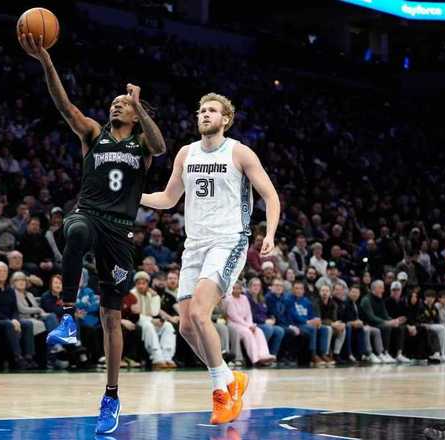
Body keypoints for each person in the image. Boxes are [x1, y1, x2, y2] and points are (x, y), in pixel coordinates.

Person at [20, 31, 166, 435]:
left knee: (111, 318)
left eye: (124, 103)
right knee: (77, 230)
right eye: (114, 102)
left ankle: (111, 396)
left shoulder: (142, 144)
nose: (116, 105)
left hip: (120, 233)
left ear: (135, 114)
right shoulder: (91, 134)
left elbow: (160, 145)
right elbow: (63, 104)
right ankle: (66, 315)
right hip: (89, 214)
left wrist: (139, 103)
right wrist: (46, 61)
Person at [141, 93, 279, 424]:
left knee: (200, 313)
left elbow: (271, 196)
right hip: (195, 245)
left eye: (212, 111)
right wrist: (133, 197)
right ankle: (231, 377)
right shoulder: (186, 153)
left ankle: (221, 392)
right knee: (187, 326)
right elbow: (168, 198)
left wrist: (270, 234)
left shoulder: (239, 152)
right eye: (201, 110)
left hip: (228, 241)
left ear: (225, 119)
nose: (204, 114)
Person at [0, 262, 33, 370]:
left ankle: (29, 357)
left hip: (9, 320)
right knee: (9, 324)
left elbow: (15, 309)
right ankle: (17, 357)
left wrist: (15, 319)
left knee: (28, 324)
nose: (3, 273)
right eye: (0, 271)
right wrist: (10, 320)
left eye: (5, 271)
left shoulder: (10, 290)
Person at [223, 280, 275, 366]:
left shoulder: (244, 298)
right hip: (234, 324)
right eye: (234, 288)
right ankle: (255, 359)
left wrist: (251, 325)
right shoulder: (228, 299)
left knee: (259, 331)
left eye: (239, 288)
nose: (236, 290)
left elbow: (248, 314)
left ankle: (264, 355)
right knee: (248, 333)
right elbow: (234, 316)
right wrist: (248, 326)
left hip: (247, 324)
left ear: (241, 289)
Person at [360, 280, 410, 364]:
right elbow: (371, 317)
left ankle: (399, 354)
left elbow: (385, 315)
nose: (383, 290)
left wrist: (394, 321)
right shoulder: (366, 299)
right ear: (374, 288)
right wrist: (386, 322)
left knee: (399, 328)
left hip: (379, 323)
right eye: (381, 288)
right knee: (387, 327)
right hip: (369, 324)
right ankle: (385, 352)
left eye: (383, 288)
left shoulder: (380, 299)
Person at [288, 280, 332, 366]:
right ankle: (313, 354)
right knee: (312, 328)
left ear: (303, 290)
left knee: (324, 329)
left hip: (307, 323)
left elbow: (311, 315)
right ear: (292, 290)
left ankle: (322, 354)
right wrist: (308, 321)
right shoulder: (289, 300)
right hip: (296, 324)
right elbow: (293, 315)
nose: (298, 290)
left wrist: (316, 320)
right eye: (296, 288)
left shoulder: (306, 301)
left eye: (301, 289)